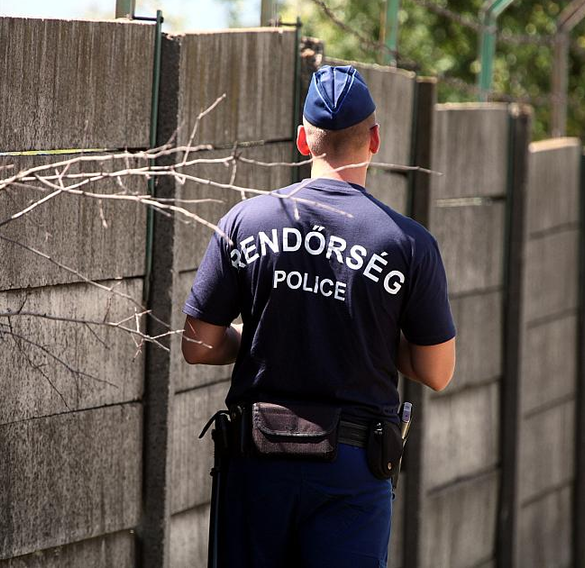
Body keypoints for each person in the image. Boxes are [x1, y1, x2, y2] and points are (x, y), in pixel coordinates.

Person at [182, 65, 456, 567]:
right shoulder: (409, 243)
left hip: (256, 464)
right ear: (375, 139)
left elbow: (198, 345)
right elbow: (437, 371)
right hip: (352, 471)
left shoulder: (245, 221)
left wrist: (260, 336)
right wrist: (367, 336)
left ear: (304, 141)